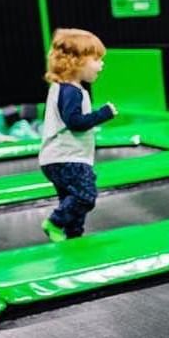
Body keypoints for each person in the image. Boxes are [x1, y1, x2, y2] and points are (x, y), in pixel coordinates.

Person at [38, 28, 116, 243]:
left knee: (70, 199)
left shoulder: (62, 88)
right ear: (76, 61)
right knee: (85, 196)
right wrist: (103, 114)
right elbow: (75, 123)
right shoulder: (71, 91)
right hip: (67, 158)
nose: (101, 65)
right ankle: (55, 222)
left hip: (57, 158)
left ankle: (74, 237)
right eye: (96, 59)